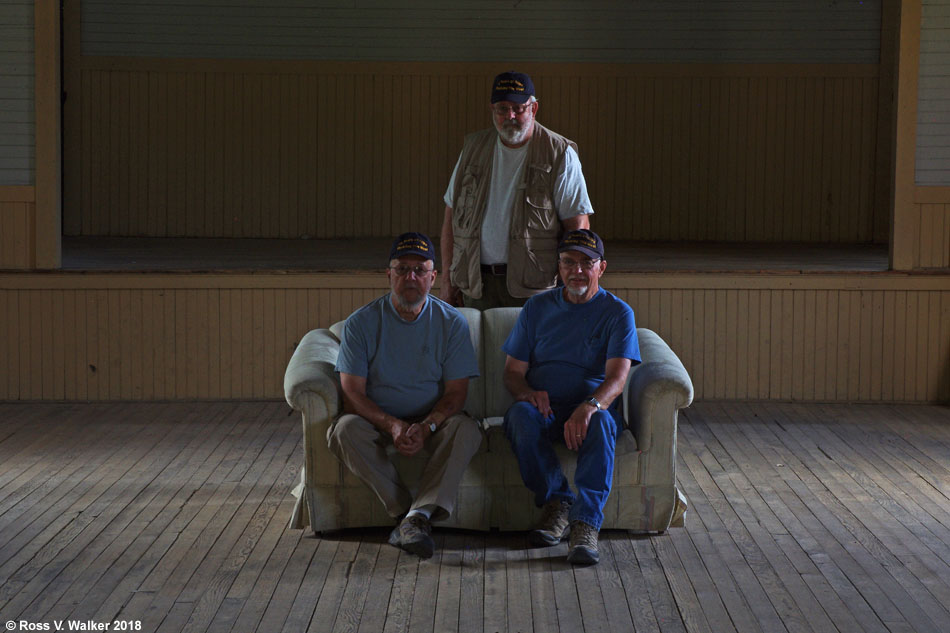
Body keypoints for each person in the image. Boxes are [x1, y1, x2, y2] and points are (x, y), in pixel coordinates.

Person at [329, 232, 482, 559]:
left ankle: (415, 518)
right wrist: (393, 426)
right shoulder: (362, 323)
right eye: (401, 269)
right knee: (344, 431)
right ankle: (409, 516)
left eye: (419, 270)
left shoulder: (451, 322)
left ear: (433, 276)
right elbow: (351, 392)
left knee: (467, 429)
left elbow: (457, 394)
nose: (410, 277)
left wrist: (426, 426)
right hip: (379, 420)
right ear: (389, 275)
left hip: (433, 420)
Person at [501, 229, 640, 565]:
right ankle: (558, 503)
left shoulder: (618, 313)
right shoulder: (536, 307)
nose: (576, 270)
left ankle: (585, 523)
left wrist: (589, 406)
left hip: (591, 411)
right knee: (519, 415)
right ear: (558, 267)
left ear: (601, 268)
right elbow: (512, 373)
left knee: (604, 420)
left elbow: (618, 378)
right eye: (568, 262)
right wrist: (529, 394)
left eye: (586, 263)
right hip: (544, 411)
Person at [440, 70, 594, 310]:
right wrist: (447, 280)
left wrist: (571, 285)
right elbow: (450, 219)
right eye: (502, 108)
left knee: (531, 350)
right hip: (475, 286)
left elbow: (578, 228)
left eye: (518, 108)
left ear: (533, 109)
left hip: (535, 291)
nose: (510, 116)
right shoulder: (472, 149)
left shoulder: (559, 153)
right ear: (492, 109)